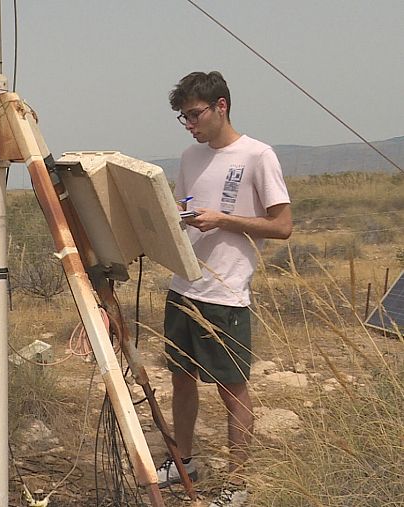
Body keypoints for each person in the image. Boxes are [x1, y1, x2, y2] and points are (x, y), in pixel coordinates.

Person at [159, 71, 292, 507]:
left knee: (231, 386)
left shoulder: (258, 156)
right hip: (184, 285)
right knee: (181, 379)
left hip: (226, 292)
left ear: (221, 106)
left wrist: (224, 220)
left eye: (194, 114)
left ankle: (238, 482)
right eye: (183, 118)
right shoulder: (189, 157)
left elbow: (282, 226)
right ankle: (183, 461)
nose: (190, 124)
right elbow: (182, 209)